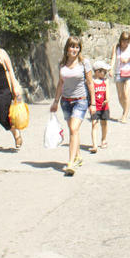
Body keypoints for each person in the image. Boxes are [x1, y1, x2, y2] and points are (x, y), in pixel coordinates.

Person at [49, 36, 93, 176]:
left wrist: (93, 104)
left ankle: (70, 163)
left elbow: (90, 83)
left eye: (77, 47)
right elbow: (60, 83)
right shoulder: (62, 64)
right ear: (67, 48)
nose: (74, 49)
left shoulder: (84, 63)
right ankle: (78, 156)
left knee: (74, 129)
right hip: (66, 101)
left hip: (81, 100)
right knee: (73, 130)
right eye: (72, 46)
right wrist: (56, 101)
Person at [110, 31, 130, 123]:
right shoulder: (116, 47)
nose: (125, 43)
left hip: (129, 73)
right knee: (120, 96)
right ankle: (125, 109)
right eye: (123, 41)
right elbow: (113, 58)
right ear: (120, 40)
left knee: (126, 94)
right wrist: (111, 69)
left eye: (127, 41)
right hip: (118, 73)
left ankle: (125, 115)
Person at [89, 61, 110, 153]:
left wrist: (107, 99)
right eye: (104, 72)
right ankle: (94, 144)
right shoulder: (91, 82)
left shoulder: (105, 81)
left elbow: (107, 92)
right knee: (94, 124)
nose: (105, 74)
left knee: (104, 124)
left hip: (104, 107)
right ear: (97, 71)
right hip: (95, 107)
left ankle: (103, 139)